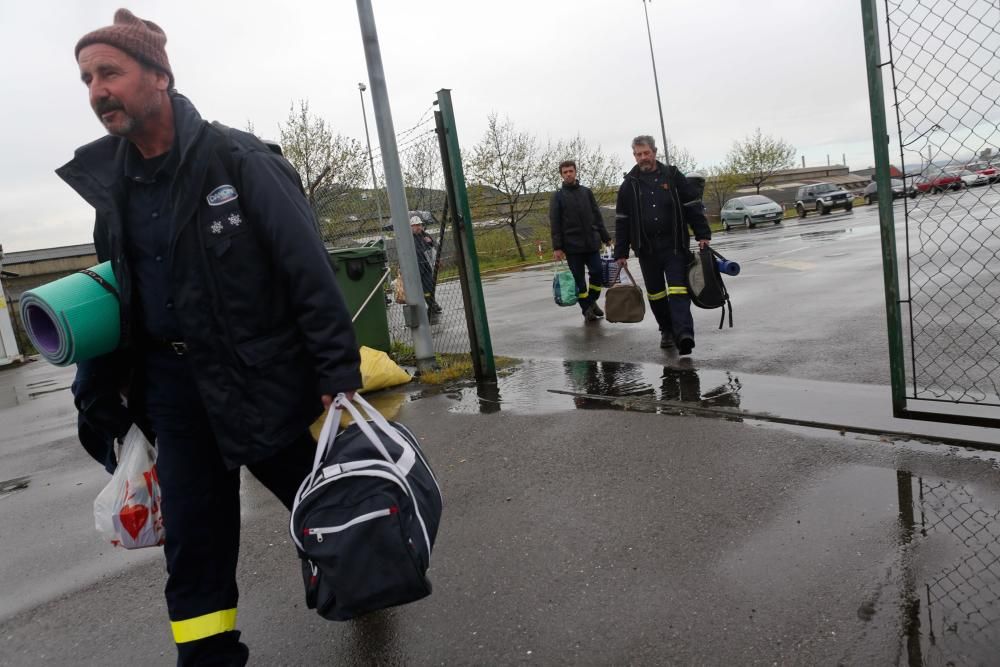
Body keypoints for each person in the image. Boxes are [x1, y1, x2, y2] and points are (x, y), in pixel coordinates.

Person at [59, 10, 362, 666]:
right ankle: (208, 656)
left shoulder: (240, 160)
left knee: (331, 509)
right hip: (175, 400)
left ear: (159, 76)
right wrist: (97, 394)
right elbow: (117, 300)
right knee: (193, 547)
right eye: (86, 79)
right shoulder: (113, 191)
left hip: (266, 387)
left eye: (109, 72)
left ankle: (367, 582)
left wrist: (336, 375)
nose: (96, 91)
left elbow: (306, 269)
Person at [614, 136, 711, 354]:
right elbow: (622, 219)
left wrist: (702, 233)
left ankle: (684, 333)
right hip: (646, 249)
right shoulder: (629, 184)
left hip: (674, 245)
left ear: (654, 152)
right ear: (634, 156)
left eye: (646, 153)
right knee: (656, 294)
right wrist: (620, 252)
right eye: (638, 154)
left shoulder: (673, 176)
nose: (643, 158)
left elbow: (692, 205)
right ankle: (666, 330)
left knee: (678, 290)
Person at [549, 160, 613, 322]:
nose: (568, 174)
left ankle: (591, 301)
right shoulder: (557, 197)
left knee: (597, 273)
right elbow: (555, 223)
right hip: (572, 247)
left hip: (591, 243)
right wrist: (557, 247)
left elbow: (597, 216)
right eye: (565, 172)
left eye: (571, 171)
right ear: (561, 175)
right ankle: (586, 309)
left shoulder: (586, 192)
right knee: (579, 280)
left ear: (576, 172)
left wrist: (605, 237)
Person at [410, 214, 443, 319]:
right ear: (411, 227)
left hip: (427, 265)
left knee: (428, 287)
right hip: (415, 267)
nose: (418, 227)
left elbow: (434, 248)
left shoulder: (426, 235)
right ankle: (425, 306)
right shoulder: (409, 238)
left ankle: (432, 304)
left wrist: (431, 242)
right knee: (417, 289)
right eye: (415, 225)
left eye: (419, 224)